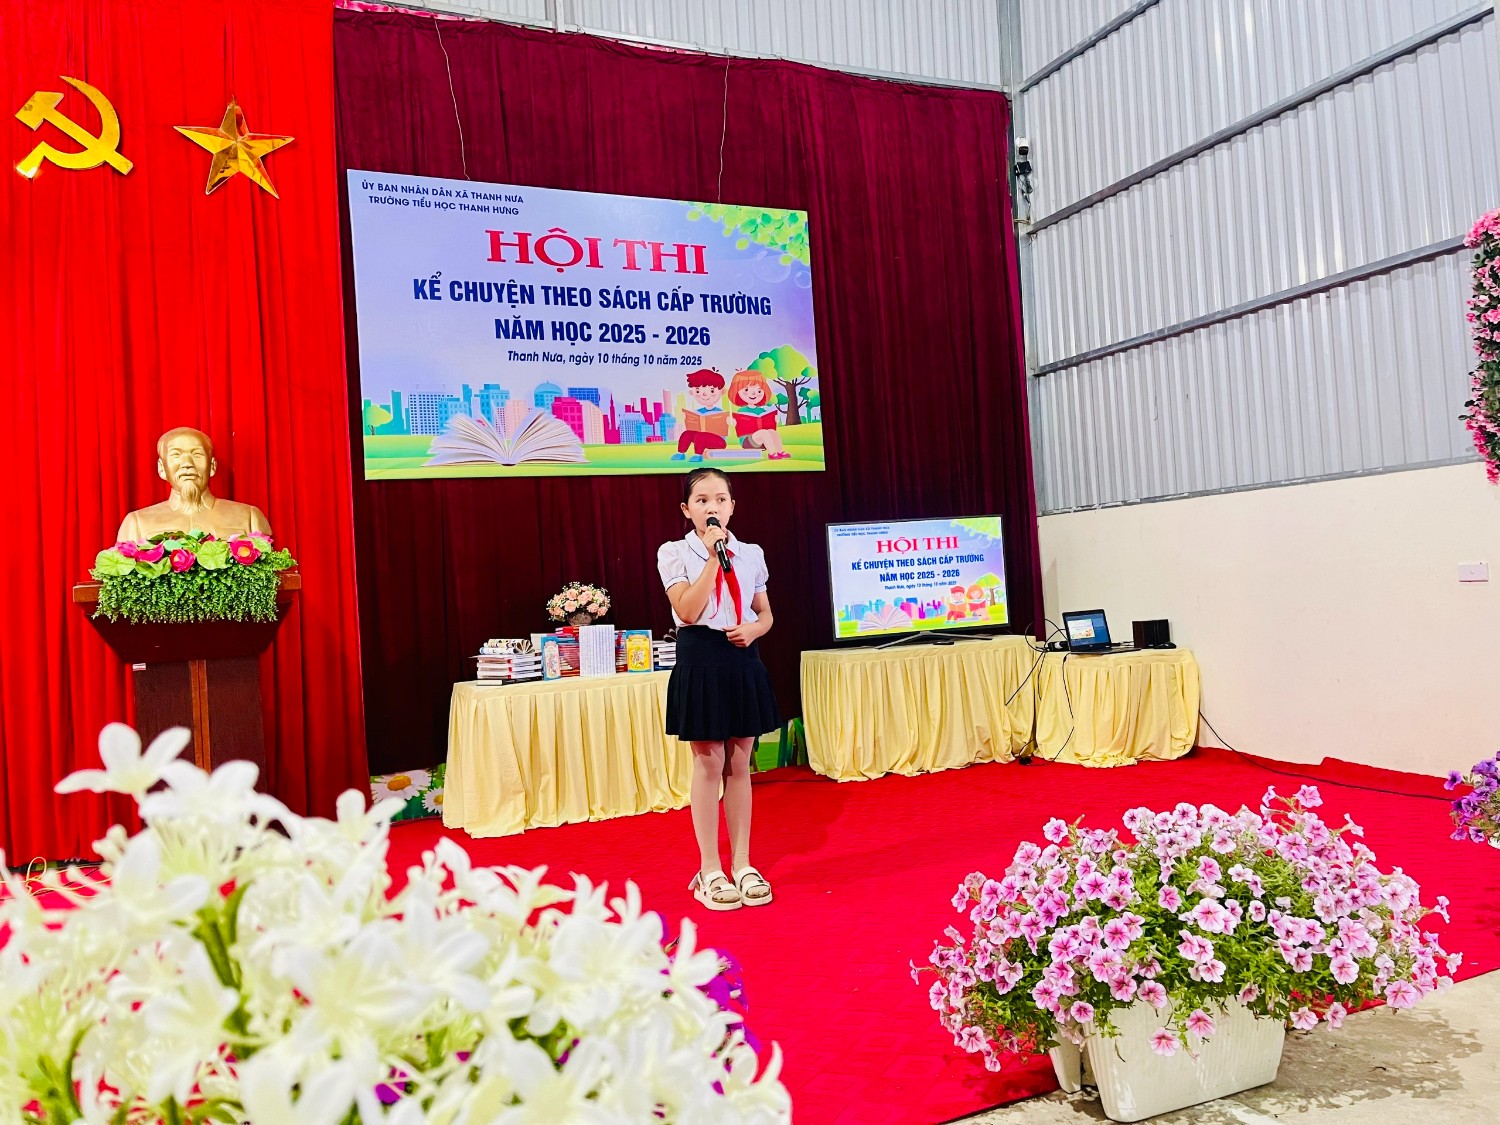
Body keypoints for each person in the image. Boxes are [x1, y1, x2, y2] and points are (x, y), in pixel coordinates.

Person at [657, 468, 780, 910]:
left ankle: (742, 863)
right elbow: (688, 611)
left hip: (742, 657)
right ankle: (709, 869)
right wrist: (712, 558)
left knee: (741, 762)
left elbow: (765, 613)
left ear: (732, 506)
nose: (713, 507)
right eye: (703, 500)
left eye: (721, 499)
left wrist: (755, 629)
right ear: (686, 509)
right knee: (709, 763)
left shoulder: (751, 553)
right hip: (701, 656)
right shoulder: (674, 552)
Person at [115, 427, 272, 542]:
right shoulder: (137, 523)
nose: (187, 464)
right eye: (176, 455)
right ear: (162, 468)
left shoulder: (249, 517)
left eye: (197, 454)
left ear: (212, 466)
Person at [726, 369, 790, 459]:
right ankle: (772, 454)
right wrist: (732, 421)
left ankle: (780, 451)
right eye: (746, 390)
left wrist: (775, 420)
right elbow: (737, 423)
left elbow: (768, 425)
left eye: (759, 391)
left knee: (772, 432)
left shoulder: (762, 411)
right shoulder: (741, 410)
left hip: (763, 441)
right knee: (763, 432)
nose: (753, 394)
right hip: (747, 442)